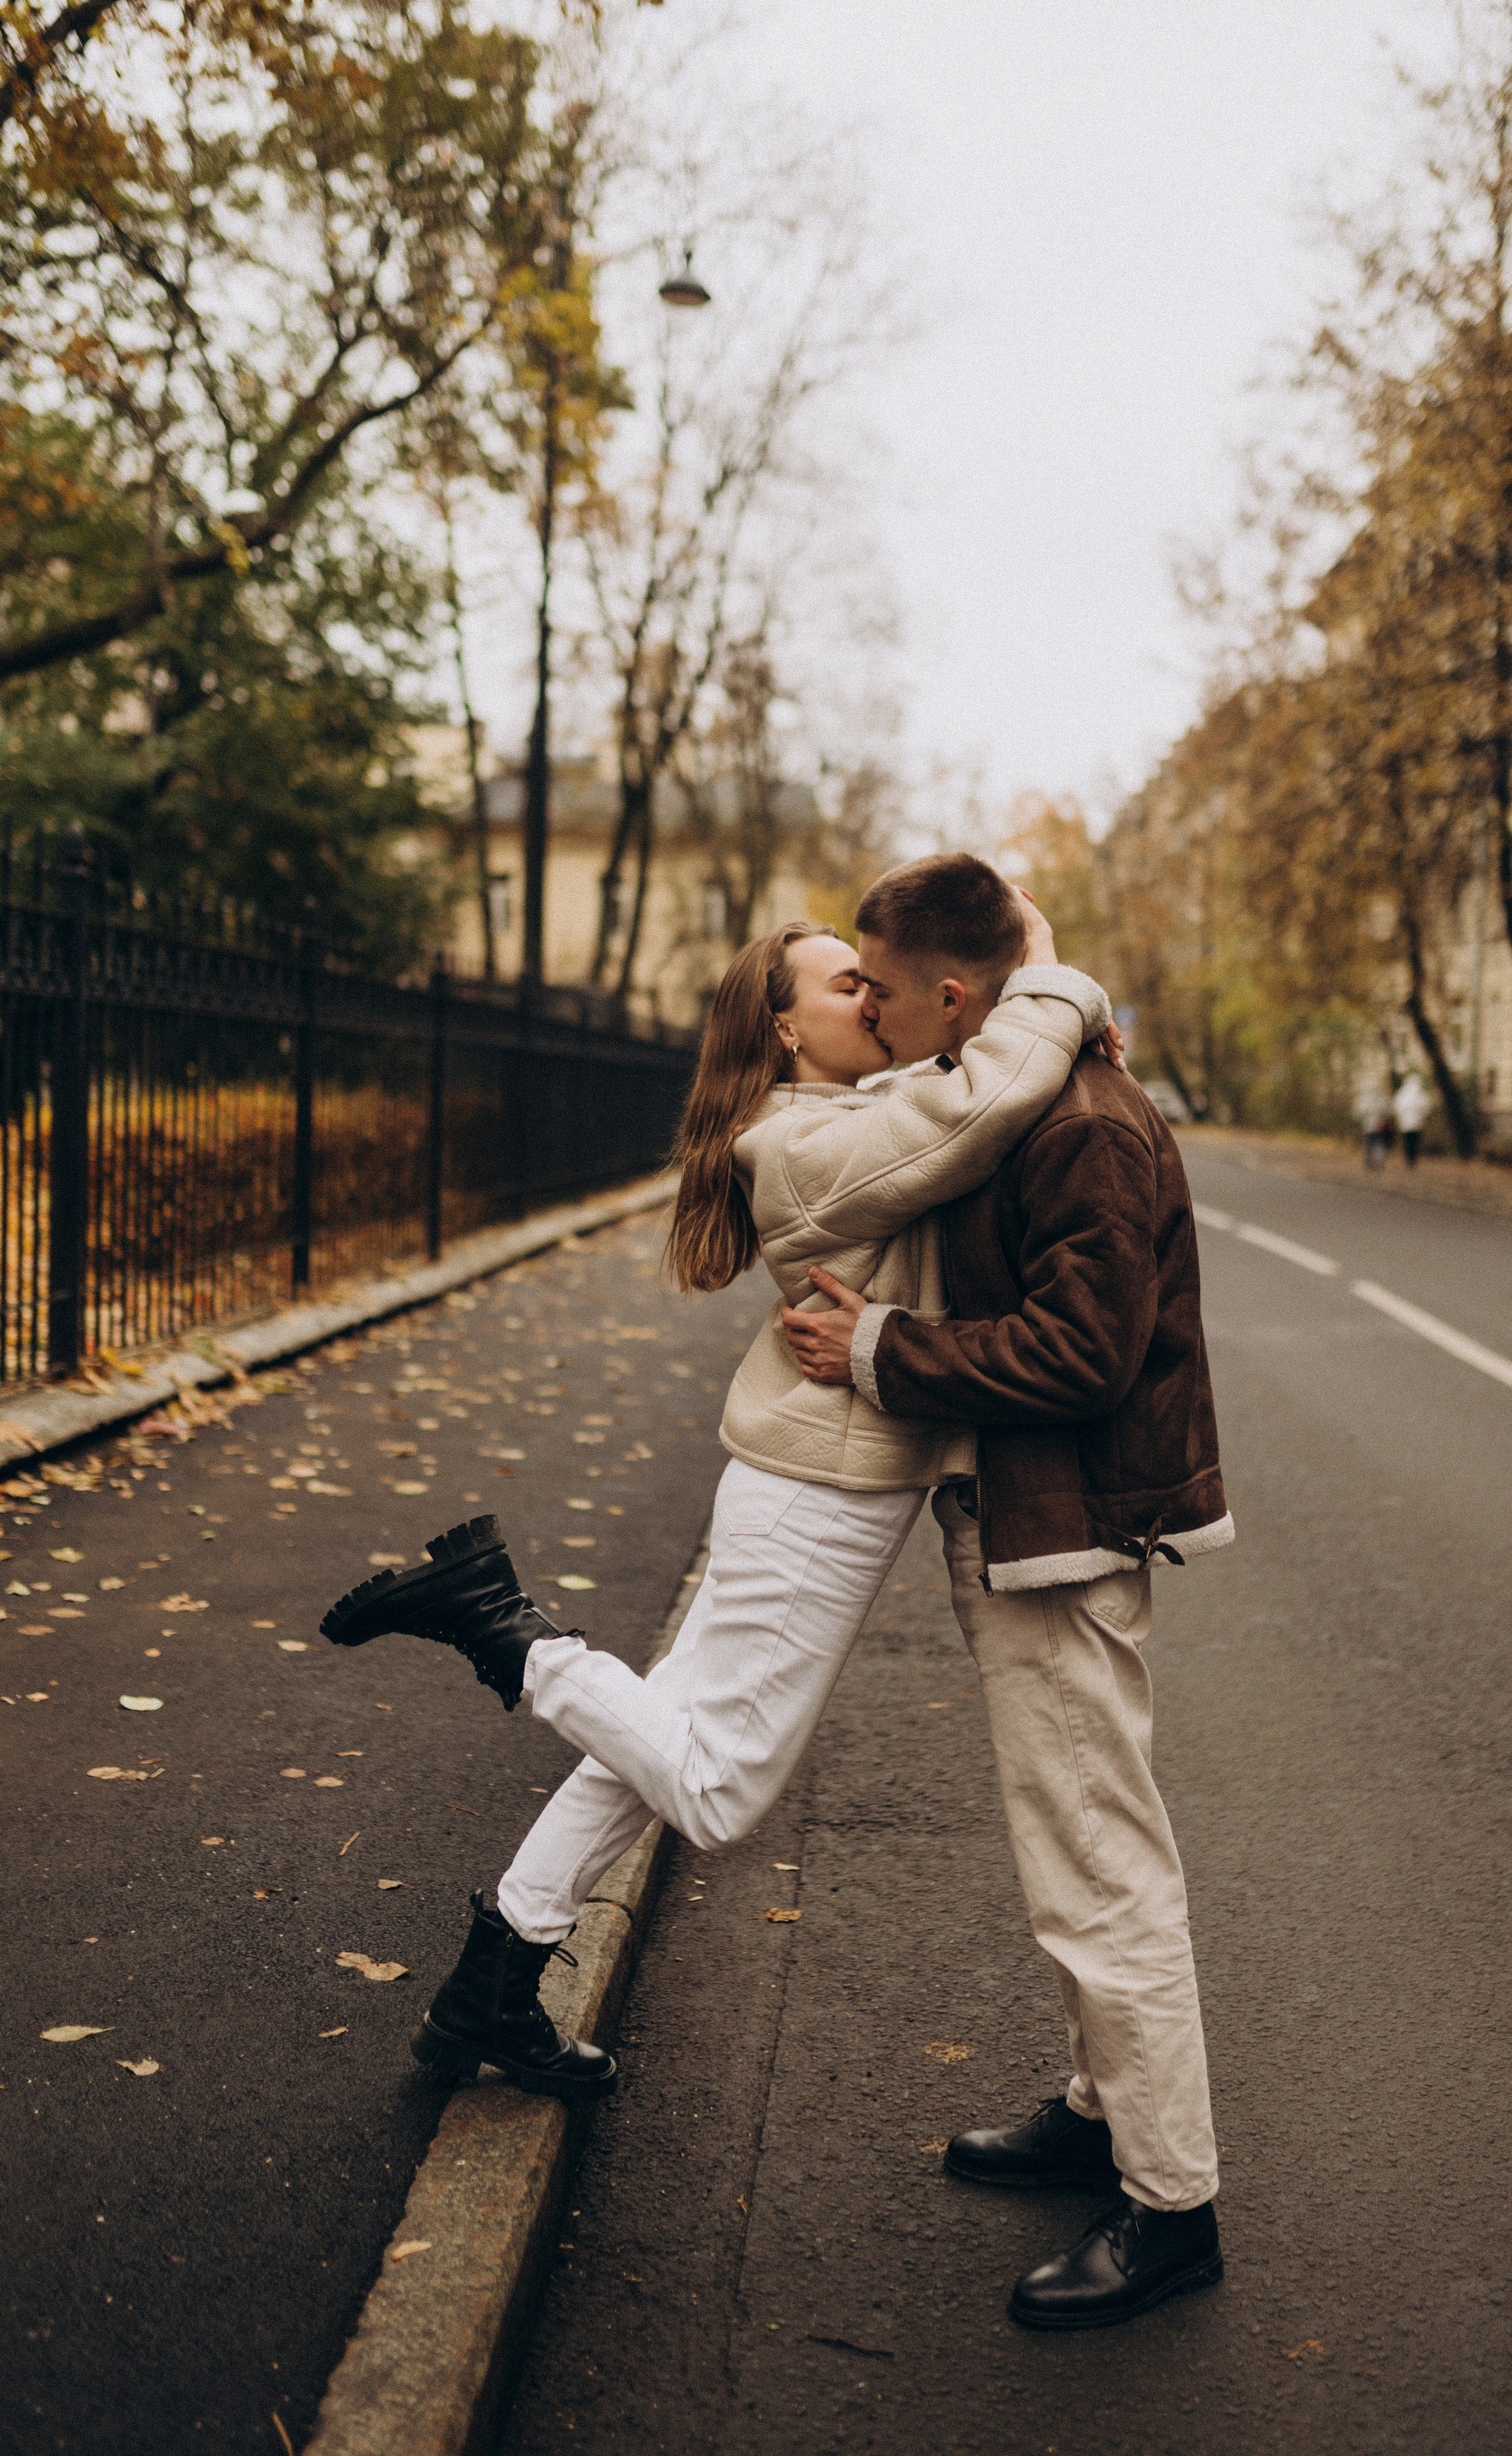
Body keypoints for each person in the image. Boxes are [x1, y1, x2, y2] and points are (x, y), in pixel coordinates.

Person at [320, 867, 1113, 2117]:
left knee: (653, 1749)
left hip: (807, 1480)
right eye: (844, 982)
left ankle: (493, 1987)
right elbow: (982, 1110)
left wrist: (1007, 965)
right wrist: (1053, 975)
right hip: (814, 1497)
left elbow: (962, 1072)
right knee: (719, 1789)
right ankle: (504, 1630)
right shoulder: (798, 1147)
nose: (873, 992)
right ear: (784, 1030)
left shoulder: (868, 1099)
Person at [780, 852, 1232, 2332]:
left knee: (1100, 1870)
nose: (871, 1008)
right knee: (1075, 1854)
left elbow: (1081, 1355)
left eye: (887, 988)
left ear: (956, 995)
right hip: (1028, 1517)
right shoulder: (1021, 1094)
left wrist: (877, 1348)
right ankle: (1101, 2112)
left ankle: (1169, 2206)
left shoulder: (1083, 1128)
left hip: (1068, 1533)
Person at [1392, 1070, 1429, 1165]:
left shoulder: (1402, 1093)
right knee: (1415, 1141)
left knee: (1408, 1141)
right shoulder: (1420, 1093)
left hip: (1406, 1123)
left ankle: (1409, 1159)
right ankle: (1413, 1159)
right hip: (1416, 1123)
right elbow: (1426, 1107)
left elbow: (1397, 1107)